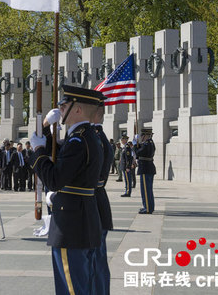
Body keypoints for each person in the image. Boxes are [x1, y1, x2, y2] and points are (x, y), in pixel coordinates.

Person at [30, 85, 105, 295]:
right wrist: (44, 127)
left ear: (78, 110)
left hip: (70, 222)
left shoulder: (78, 140)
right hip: (81, 217)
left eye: (64, 106)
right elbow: (57, 150)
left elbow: (54, 179)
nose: (60, 109)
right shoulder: (85, 136)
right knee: (82, 283)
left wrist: (37, 152)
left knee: (71, 287)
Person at [92, 103, 114, 295]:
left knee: (95, 261)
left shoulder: (94, 138)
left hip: (94, 204)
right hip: (98, 202)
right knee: (98, 260)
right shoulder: (99, 136)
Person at [135, 129, 156, 214]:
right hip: (148, 168)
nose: (141, 138)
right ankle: (149, 207)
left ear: (146, 135)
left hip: (145, 168)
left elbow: (139, 153)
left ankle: (147, 208)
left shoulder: (147, 144)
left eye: (142, 136)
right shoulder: (150, 143)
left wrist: (135, 147)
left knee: (146, 190)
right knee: (148, 189)